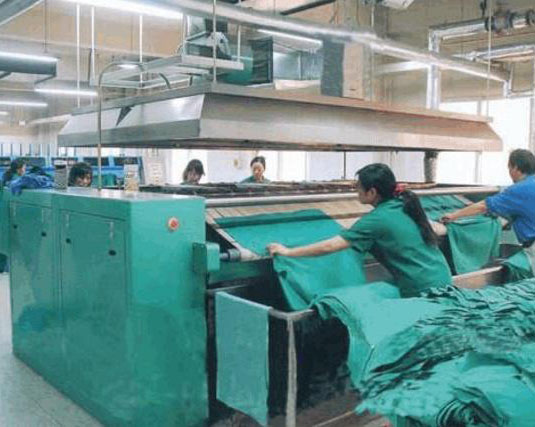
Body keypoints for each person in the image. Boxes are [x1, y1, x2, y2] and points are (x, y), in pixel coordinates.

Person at [267, 163, 452, 297]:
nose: (356, 191)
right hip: (442, 277)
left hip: (422, 288)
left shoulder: (377, 219)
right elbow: (438, 229)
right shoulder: (404, 204)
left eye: (358, 188)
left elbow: (329, 247)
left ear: (372, 192)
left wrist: (288, 252)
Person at [442, 149, 535, 271]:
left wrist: (454, 215)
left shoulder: (519, 190)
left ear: (515, 167)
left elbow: (483, 206)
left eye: (509, 168)